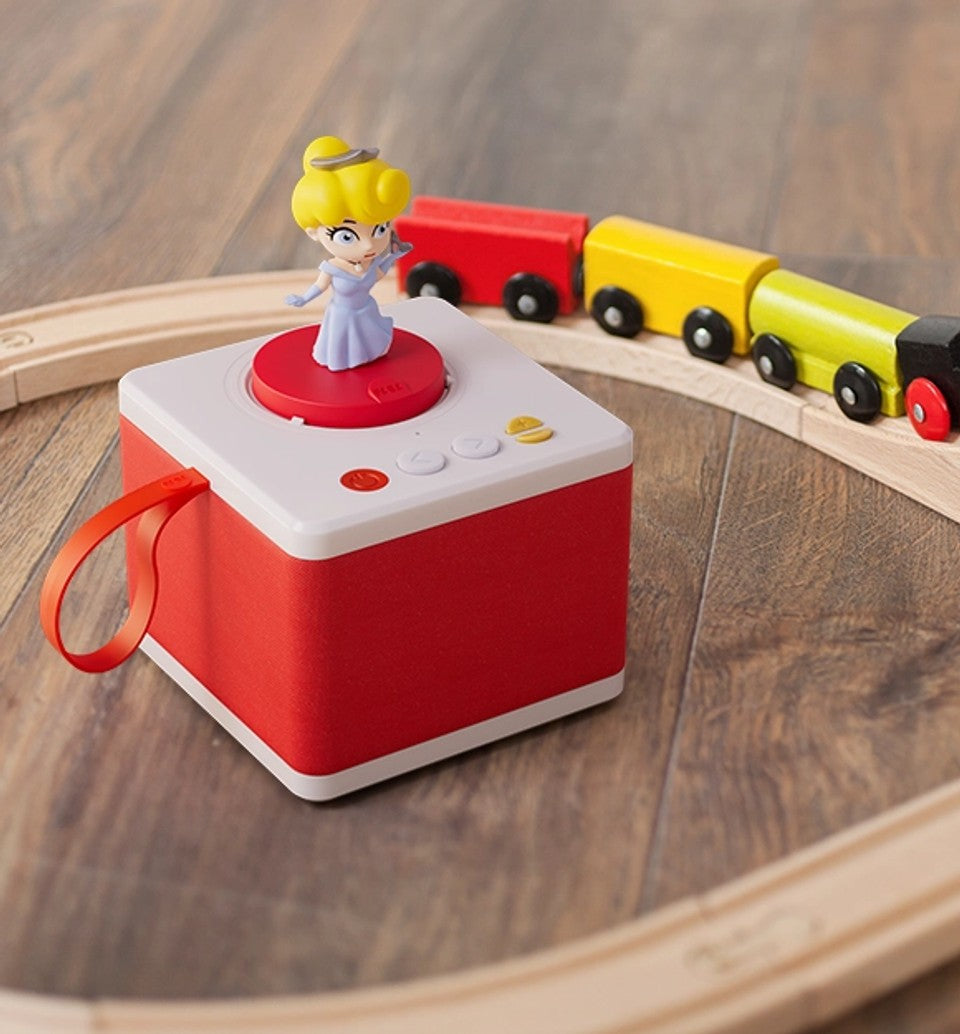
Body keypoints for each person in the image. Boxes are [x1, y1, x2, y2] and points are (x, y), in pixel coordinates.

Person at [285, 136, 412, 371]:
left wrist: (393, 257)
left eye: (380, 228)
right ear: (313, 233)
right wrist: (303, 299)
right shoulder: (332, 268)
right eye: (347, 236)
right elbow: (320, 287)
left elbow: (378, 273)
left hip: (367, 313)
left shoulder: (371, 262)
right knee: (344, 351)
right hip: (342, 318)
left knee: (371, 346)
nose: (368, 245)